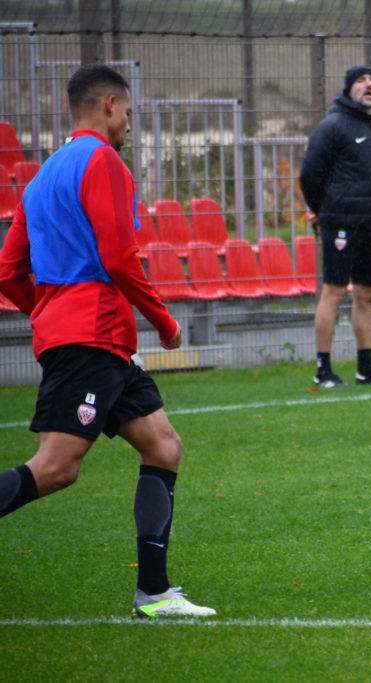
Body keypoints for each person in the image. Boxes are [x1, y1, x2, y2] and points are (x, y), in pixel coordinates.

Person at [0, 64, 215, 618]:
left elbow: (8, 270)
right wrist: (164, 322)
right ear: (111, 105)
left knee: (163, 446)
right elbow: (120, 257)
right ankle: (153, 593)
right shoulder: (103, 162)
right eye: (129, 113)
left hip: (98, 340)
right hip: (92, 337)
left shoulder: (42, 176)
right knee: (56, 468)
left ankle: (154, 593)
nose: (129, 125)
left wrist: (47, 312)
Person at [300, 65, 371, 387]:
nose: (368, 85)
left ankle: (365, 369)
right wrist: (323, 211)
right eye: (360, 81)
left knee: (368, 293)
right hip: (340, 224)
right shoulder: (332, 126)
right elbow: (309, 174)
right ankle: (323, 369)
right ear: (347, 89)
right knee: (335, 291)